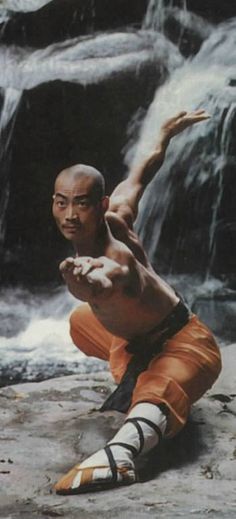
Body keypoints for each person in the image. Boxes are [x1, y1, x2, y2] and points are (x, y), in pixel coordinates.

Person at [52, 110, 221, 494]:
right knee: (81, 322)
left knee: (158, 389)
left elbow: (107, 278)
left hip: (188, 345)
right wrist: (163, 134)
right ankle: (139, 368)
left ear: (100, 203)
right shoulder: (120, 210)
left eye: (81, 204)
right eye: (62, 203)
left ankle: (121, 456)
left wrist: (86, 283)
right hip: (138, 340)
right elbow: (142, 171)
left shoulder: (115, 260)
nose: (71, 216)